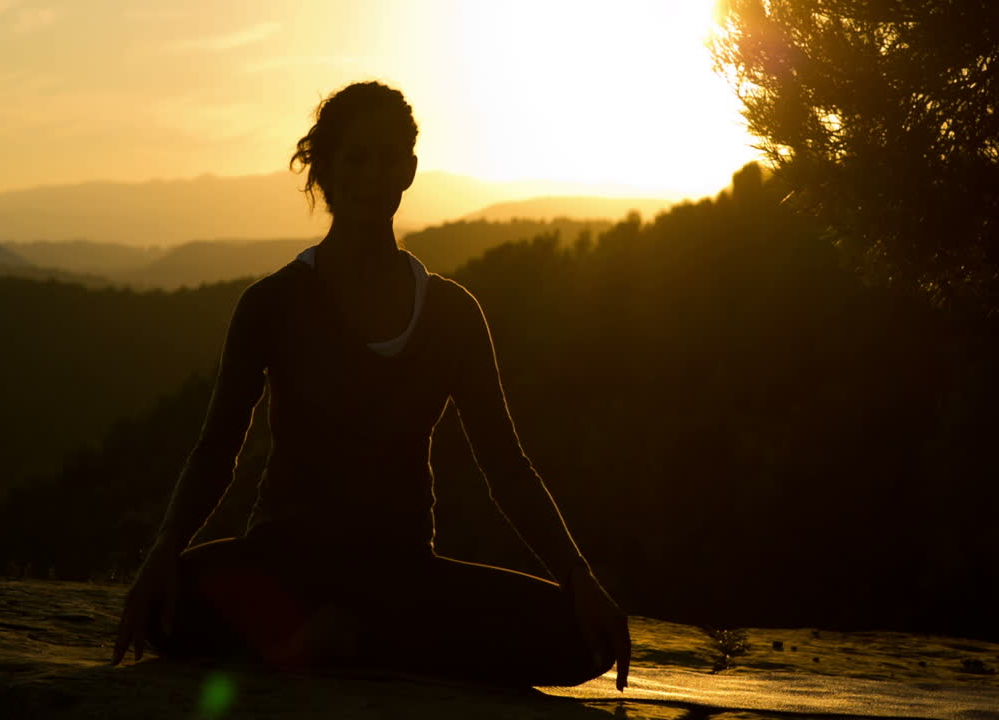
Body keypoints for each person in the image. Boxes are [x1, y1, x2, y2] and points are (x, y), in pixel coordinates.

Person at [111, 81, 630, 689]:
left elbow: (505, 464)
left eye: (388, 158)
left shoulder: (452, 315)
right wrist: (164, 548)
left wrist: (578, 578)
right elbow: (216, 448)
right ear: (323, 168)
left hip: (402, 572)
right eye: (355, 157)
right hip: (285, 564)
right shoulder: (272, 305)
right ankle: (362, 641)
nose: (371, 174)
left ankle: (333, 640)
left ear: (409, 170)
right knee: (167, 607)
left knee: (581, 637)